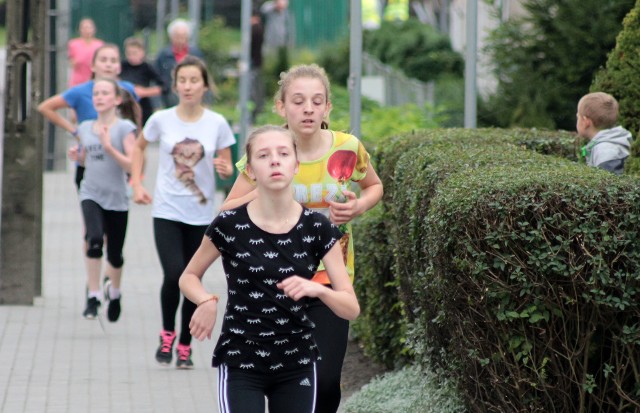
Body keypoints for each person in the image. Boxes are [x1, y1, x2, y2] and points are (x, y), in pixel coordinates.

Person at [220, 64, 383, 413]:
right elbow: (227, 210)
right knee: (284, 381)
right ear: (282, 107)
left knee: (324, 380)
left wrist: (357, 208)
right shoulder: (269, 152)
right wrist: (266, 186)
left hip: (330, 279)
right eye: (298, 101)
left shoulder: (347, 147)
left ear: (327, 108)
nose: (307, 108)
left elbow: (374, 187)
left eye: (316, 101)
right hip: (272, 283)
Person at [179, 125, 360, 413]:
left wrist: (316, 288)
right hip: (241, 361)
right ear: (250, 170)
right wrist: (205, 299)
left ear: (296, 165)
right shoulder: (228, 225)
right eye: (264, 155)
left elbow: (350, 307)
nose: (275, 160)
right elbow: (189, 276)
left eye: (283, 153)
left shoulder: (317, 227)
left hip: (296, 363)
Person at [130, 55, 236, 369]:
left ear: (205, 86)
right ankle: (167, 334)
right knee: (174, 273)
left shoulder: (217, 123)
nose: (188, 86)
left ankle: (186, 345)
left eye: (194, 81)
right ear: (175, 85)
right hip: (166, 209)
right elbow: (138, 147)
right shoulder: (161, 119)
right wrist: (137, 183)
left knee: (194, 277)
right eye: (183, 81)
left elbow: (228, 168)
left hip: (202, 215)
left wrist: (224, 167)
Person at [76, 78, 140, 320]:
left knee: (115, 254)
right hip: (90, 193)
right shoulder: (84, 127)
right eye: (96, 93)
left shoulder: (124, 128)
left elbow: (132, 166)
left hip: (117, 199)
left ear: (117, 100)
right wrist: (78, 156)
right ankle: (93, 296)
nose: (99, 97)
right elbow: (84, 158)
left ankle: (114, 293)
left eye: (105, 93)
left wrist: (108, 147)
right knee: (93, 240)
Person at [38, 43, 139, 190]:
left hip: (118, 161)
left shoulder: (127, 89)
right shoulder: (80, 91)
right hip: (89, 160)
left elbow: (135, 117)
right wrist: (74, 131)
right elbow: (45, 107)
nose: (108, 65)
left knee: (116, 210)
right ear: (92, 66)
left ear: (119, 66)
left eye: (113, 61)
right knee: (91, 207)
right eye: (103, 60)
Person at [577, 92, 632, 175]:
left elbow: (608, 184)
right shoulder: (607, 143)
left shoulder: (605, 150)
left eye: (578, 117)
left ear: (586, 122)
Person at [154, 18, 204, 108]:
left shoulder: (196, 54)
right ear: (171, 37)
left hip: (192, 98)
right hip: (169, 98)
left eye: (183, 36)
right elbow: (156, 79)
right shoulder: (163, 55)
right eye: (177, 36)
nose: (181, 40)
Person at [121, 37, 165, 126]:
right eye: (128, 53)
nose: (131, 56)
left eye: (134, 53)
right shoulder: (122, 66)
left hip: (143, 105)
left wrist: (145, 92)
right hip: (125, 104)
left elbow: (164, 87)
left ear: (142, 53)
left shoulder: (147, 67)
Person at [260, 0, 294, 78]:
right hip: (269, 42)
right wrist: (275, 5)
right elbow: (263, 9)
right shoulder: (270, 11)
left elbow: (290, 29)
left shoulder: (286, 14)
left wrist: (290, 42)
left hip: (282, 44)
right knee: (269, 63)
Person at [67, 18, 104, 87]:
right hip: (78, 81)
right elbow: (71, 62)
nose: (87, 30)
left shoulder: (99, 44)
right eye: (84, 28)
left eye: (89, 27)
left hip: (95, 80)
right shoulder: (73, 44)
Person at [250, 7, 265, 123]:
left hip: (253, 63)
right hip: (256, 62)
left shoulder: (255, 29)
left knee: (253, 89)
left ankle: (256, 111)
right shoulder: (259, 29)